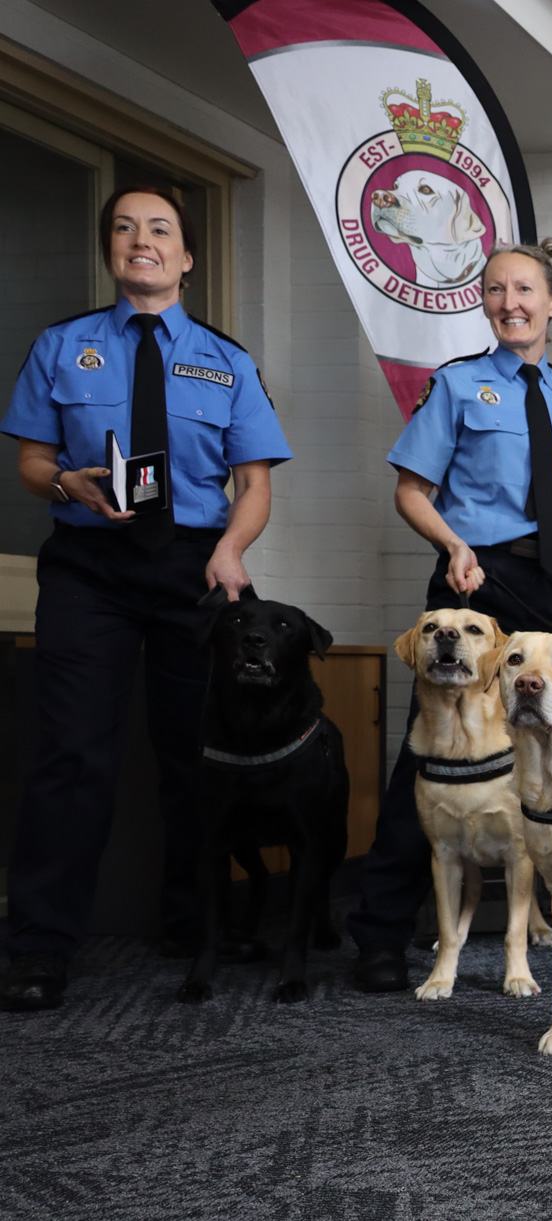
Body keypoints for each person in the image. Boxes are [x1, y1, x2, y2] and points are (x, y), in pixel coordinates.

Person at [1, 185, 291, 1011]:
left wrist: (230, 550)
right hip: (88, 566)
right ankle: (39, 945)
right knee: (70, 753)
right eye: (125, 227)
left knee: (196, 753)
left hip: (192, 568)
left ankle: (193, 920)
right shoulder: (62, 346)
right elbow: (31, 461)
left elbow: (254, 483)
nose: (142, 240)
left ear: (186, 256)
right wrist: (67, 482)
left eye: (160, 229)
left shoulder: (227, 360)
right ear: (111, 251)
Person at [348, 243, 552, 993]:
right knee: (435, 752)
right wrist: (453, 545)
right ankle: (380, 931)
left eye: (526, 289)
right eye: (498, 290)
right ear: (485, 304)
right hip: (481, 581)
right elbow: (411, 490)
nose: (512, 302)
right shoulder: (457, 385)